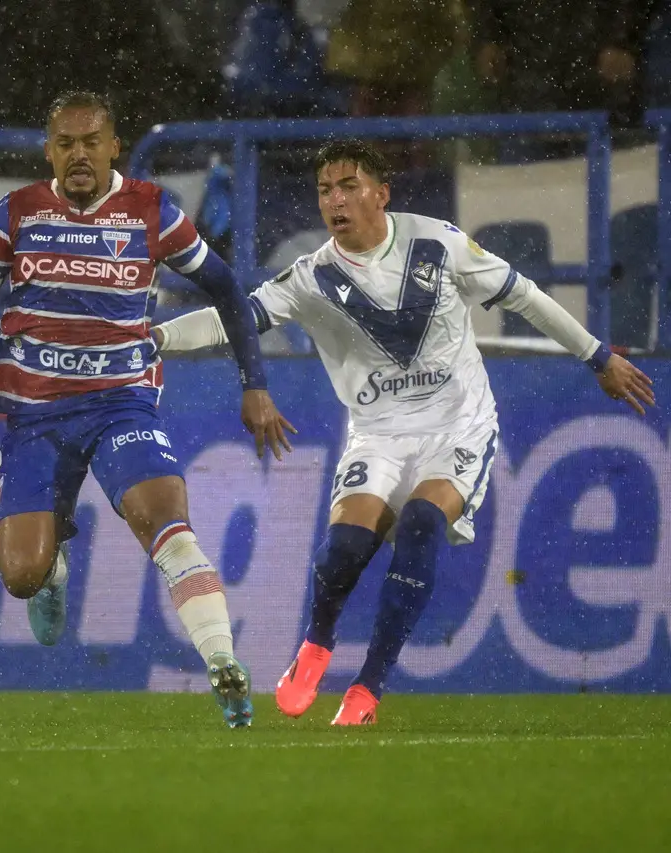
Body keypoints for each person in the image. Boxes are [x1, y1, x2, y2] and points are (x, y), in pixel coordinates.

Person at [151, 140, 655, 725]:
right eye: (325, 190)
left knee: (419, 524)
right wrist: (155, 338)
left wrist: (598, 358)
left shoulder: (437, 244)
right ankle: (316, 644)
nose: (335, 201)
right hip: (379, 433)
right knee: (343, 555)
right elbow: (231, 318)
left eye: (348, 186)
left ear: (381, 193)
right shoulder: (312, 276)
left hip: (457, 425)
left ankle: (368, 688)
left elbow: (525, 297)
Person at [0, 91, 295, 728]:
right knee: (20, 574)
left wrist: (254, 383)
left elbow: (227, 289)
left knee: (165, 520)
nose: (77, 155)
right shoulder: (13, 214)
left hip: (122, 404)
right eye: (65, 144)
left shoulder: (153, 210)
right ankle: (51, 569)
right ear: (49, 151)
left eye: (89, 142)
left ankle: (223, 666)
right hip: (35, 415)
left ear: (112, 147)